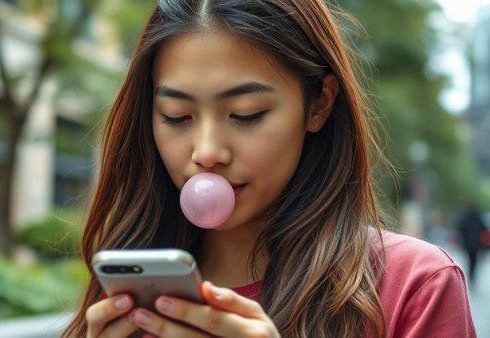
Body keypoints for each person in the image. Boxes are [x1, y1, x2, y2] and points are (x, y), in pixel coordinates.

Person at [62, 0, 476, 337]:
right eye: (176, 116)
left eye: (246, 114)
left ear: (319, 104)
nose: (207, 152)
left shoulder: (414, 285)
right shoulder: (132, 300)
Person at [458, 203, 488, 282]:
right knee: (474, 261)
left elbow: (460, 229)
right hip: (476, 244)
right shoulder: (478, 218)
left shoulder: (465, 218)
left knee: (469, 260)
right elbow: (484, 229)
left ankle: (470, 274)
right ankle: (472, 275)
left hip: (467, 244)